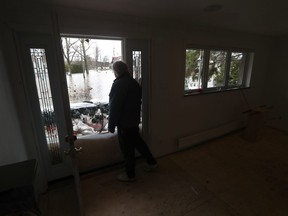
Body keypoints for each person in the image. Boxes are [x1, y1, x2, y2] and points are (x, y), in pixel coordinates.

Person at [108, 61, 158, 182]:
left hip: (124, 123)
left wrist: (111, 125)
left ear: (116, 71)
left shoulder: (119, 84)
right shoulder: (133, 82)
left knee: (127, 149)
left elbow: (114, 107)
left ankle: (130, 174)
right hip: (134, 120)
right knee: (139, 143)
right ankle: (152, 163)